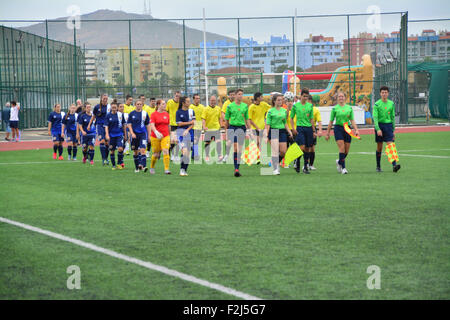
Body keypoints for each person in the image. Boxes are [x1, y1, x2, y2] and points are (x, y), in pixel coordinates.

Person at [325, 91, 360, 174]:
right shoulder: (335, 109)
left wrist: (356, 130)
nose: (341, 98)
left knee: (346, 151)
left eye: (342, 96)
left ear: (345, 98)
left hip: (347, 129)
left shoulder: (349, 108)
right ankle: (343, 168)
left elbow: (352, 120)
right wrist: (327, 133)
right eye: (339, 96)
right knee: (342, 148)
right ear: (337, 98)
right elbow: (330, 122)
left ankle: (339, 162)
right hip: (338, 129)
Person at [224, 88, 254, 177]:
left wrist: (250, 130)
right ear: (236, 95)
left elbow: (247, 119)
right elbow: (226, 120)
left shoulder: (245, 106)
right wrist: (226, 132)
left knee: (239, 149)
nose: (241, 96)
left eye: (242, 94)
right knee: (236, 148)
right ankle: (236, 169)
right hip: (232, 127)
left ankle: (237, 168)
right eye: (239, 94)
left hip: (242, 128)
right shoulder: (230, 106)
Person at [264, 94, 293, 175]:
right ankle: (275, 168)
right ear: (274, 101)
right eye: (278, 100)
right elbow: (268, 124)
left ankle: (275, 163)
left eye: (281, 100)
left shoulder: (284, 111)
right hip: (273, 131)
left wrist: (289, 131)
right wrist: (266, 135)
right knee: (275, 151)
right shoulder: (270, 111)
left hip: (282, 131)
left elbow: (285, 123)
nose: (280, 102)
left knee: (283, 151)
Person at [373, 86, 401, 173]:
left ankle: (394, 165)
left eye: (385, 92)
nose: (384, 94)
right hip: (380, 126)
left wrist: (393, 131)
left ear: (388, 93)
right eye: (382, 92)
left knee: (390, 145)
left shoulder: (391, 104)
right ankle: (378, 166)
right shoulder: (377, 104)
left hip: (388, 127)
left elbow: (392, 117)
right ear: (380, 94)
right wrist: (378, 129)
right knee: (379, 147)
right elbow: (375, 118)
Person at [290, 89, 316, 174]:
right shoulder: (295, 106)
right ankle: (297, 161)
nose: (305, 98)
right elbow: (291, 118)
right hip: (300, 128)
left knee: (308, 148)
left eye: (306, 96)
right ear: (301, 96)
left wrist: (313, 130)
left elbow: (311, 119)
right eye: (304, 96)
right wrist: (293, 128)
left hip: (308, 128)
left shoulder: (310, 106)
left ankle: (305, 167)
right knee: (302, 147)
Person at [127, 100, 151, 173]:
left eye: (140, 104)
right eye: (138, 104)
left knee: (143, 150)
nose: (139, 105)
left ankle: (143, 166)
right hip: (134, 135)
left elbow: (148, 125)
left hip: (143, 134)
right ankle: (137, 167)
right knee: (136, 152)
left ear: (142, 105)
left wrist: (149, 135)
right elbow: (129, 124)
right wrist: (132, 133)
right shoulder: (131, 114)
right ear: (135, 105)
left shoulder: (145, 113)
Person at [149, 99, 171, 175]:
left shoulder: (166, 114)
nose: (165, 105)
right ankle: (152, 167)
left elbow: (168, 125)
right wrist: (156, 132)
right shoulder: (154, 114)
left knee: (165, 151)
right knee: (156, 154)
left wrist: (170, 135)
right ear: (158, 105)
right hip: (155, 136)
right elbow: (152, 125)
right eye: (163, 104)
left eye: (165, 104)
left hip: (165, 136)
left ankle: (167, 169)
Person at [89, 94, 111, 166]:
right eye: (104, 98)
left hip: (107, 126)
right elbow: (93, 116)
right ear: (101, 99)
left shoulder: (109, 107)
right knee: (102, 141)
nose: (105, 99)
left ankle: (106, 158)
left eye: (106, 98)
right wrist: (89, 124)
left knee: (107, 143)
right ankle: (103, 159)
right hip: (99, 126)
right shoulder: (97, 107)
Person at [105, 101, 127, 170]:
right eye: (113, 107)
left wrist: (125, 134)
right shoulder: (108, 115)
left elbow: (124, 125)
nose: (114, 108)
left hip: (119, 135)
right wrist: (107, 134)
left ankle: (119, 163)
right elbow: (106, 126)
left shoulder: (120, 115)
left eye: (115, 107)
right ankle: (114, 165)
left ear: (117, 108)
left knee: (120, 149)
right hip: (111, 136)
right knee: (112, 151)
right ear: (111, 107)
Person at [176, 96, 195, 176]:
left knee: (188, 153)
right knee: (184, 151)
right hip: (181, 133)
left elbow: (194, 123)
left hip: (190, 133)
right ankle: (181, 169)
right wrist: (189, 123)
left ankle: (185, 170)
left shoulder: (191, 111)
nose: (189, 103)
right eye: (187, 101)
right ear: (183, 103)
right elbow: (179, 124)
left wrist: (188, 129)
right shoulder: (178, 112)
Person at [249, 92, 271, 158]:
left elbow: (271, 108)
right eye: (261, 97)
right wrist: (256, 127)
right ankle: (249, 156)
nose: (262, 98)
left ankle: (257, 157)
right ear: (258, 98)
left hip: (262, 127)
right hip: (254, 128)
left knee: (259, 143)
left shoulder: (263, 104)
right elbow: (249, 119)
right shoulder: (251, 107)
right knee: (257, 142)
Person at [202, 95, 222, 163]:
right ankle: (207, 156)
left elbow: (220, 118)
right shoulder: (205, 109)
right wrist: (204, 126)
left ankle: (219, 156)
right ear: (209, 101)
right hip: (208, 129)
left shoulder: (218, 108)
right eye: (211, 100)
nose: (213, 102)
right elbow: (203, 119)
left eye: (214, 100)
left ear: (216, 101)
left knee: (218, 142)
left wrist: (220, 125)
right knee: (208, 143)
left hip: (216, 128)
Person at [308, 94, 323, 170]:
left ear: (310, 101)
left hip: (312, 129)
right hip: (303, 128)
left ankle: (310, 165)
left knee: (312, 148)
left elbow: (319, 121)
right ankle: (303, 163)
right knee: (304, 147)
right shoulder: (301, 108)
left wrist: (320, 130)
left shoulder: (315, 110)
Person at [221, 90, 235, 163]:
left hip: (238, 124)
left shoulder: (238, 103)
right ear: (228, 96)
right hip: (230, 125)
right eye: (231, 95)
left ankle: (237, 156)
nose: (232, 96)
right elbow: (223, 113)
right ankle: (226, 155)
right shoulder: (226, 103)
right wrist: (226, 121)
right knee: (229, 140)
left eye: (233, 94)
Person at [189, 93, 205, 161]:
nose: (198, 99)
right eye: (196, 98)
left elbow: (204, 117)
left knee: (196, 142)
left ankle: (194, 155)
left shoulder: (202, 107)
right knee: (192, 140)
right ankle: (195, 153)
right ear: (193, 99)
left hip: (198, 126)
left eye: (199, 98)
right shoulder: (190, 107)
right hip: (191, 126)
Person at [166, 91, 181, 160]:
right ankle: (172, 155)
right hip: (171, 124)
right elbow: (166, 112)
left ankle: (176, 155)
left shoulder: (180, 103)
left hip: (179, 124)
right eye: (176, 96)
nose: (177, 97)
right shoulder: (169, 102)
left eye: (179, 96)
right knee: (172, 140)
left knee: (178, 140)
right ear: (174, 96)